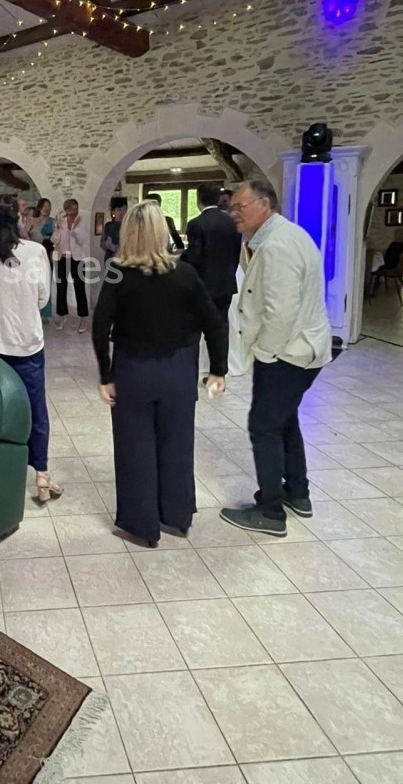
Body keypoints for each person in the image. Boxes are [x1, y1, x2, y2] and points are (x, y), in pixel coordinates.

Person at [92, 201, 228, 547]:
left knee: (134, 447)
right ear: (163, 232)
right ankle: (177, 516)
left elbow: (100, 327)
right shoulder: (185, 274)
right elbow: (213, 322)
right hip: (179, 371)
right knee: (177, 445)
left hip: (133, 369)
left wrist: (105, 375)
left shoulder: (117, 273)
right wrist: (217, 370)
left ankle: (141, 525)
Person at [220, 179, 332, 537]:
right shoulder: (274, 238)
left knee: (264, 425)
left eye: (240, 207)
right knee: (284, 420)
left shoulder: (278, 245)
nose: (234, 214)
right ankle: (297, 492)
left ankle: (270, 512)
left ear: (264, 205)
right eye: (232, 208)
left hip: (288, 352)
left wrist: (266, 356)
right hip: (300, 349)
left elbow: (281, 313)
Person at [0, 202, 60, 503]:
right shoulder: (34, 252)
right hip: (24, 343)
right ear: (20, 221)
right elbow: (43, 297)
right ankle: (41, 476)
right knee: (35, 411)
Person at [182, 179, 242, 328]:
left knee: (198, 326)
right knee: (221, 327)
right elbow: (236, 252)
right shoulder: (232, 222)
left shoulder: (196, 223)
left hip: (204, 284)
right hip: (226, 282)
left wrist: (179, 258)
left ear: (198, 199)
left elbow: (195, 256)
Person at [52, 198, 89, 332]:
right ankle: (62, 317)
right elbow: (54, 240)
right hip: (62, 258)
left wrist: (73, 228)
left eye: (76, 209)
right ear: (66, 210)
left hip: (77, 259)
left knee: (80, 288)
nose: (74, 212)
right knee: (61, 289)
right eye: (71, 210)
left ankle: (83, 319)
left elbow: (82, 240)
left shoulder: (81, 220)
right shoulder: (60, 221)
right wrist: (57, 229)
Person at [36, 197, 55, 322]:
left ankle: (46, 313)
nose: (47, 209)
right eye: (45, 206)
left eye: (49, 206)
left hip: (49, 250)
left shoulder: (53, 221)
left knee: (46, 281)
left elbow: (57, 236)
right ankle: (36, 310)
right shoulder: (35, 220)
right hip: (37, 250)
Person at [100, 196, 129, 262]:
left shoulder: (130, 225)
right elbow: (102, 243)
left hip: (124, 260)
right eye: (119, 210)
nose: (122, 213)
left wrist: (112, 246)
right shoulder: (108, 226)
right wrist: (106, 244)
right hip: (110, 260)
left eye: (124, 209)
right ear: (113, 212)